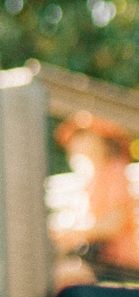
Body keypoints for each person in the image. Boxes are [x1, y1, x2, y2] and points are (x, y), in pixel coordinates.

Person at [52, 112, 139, 287]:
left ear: (103, 141)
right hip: (97, 260)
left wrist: (77, 232)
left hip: (118, 265)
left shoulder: (114, 172)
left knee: (60, 277)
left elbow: (114, 224)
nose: (74, 144)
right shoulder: (88, 181)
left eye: (83, 137)